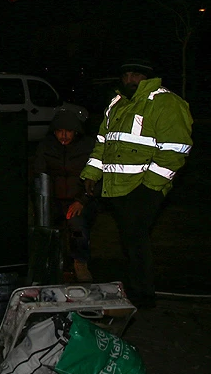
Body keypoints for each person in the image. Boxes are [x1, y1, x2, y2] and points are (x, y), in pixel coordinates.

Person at [80, 60, 193, 307]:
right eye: (126, 74)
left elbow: (175, 150)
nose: (130, 79)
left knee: (136, 240)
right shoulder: (117, 103)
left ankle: (143, 294)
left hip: (143, 188)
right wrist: (92, 173)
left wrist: (150, 187)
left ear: (148, 77)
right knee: (128, 240)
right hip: (116, 186)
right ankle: (132, 289)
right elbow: (103, 142)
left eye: (136, 75)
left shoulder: (165, 102)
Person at [34, 109, 96, 282]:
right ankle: (50, 264)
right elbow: (39, 174)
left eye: (68, 131)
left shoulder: (88, 147)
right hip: (53, 199)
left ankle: (80, 262)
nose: (64, 135)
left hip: (79, 200)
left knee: (77, 227)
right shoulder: (46, 146)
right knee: (45, 229)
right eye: (60, 131)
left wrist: (82, 200)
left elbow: (96, 178)